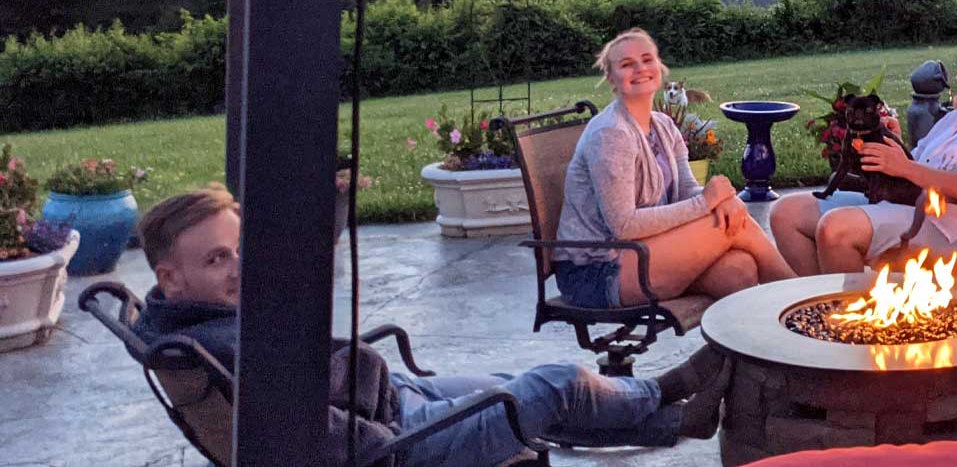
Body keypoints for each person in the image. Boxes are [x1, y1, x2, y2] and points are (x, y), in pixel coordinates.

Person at [128, 186, 728, 467]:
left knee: (512, 385)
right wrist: (386, 427)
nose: (240, 266)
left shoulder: (193, 324)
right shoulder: (212, 346)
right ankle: (663, 393)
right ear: (170, 277)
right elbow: (324, 431)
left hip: (391, 401)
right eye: (216, 259)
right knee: (552, 387)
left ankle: (677, 421)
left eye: (240, 248)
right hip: (396, 441)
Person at [555, 29, 794, 308]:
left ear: (660, 67)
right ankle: (803, 296)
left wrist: (720, 201)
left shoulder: (664, 125)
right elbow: (624, 226)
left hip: (645, 250)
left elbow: (686, 190)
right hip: (597, 270)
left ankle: (737, 351)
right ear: (611, 79)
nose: (640, 69)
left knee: (738, 270)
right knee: (728, 225)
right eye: (626, 64)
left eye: (647, 59)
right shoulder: (611, 134)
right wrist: (707, 203)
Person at [771, 28, 957, 275]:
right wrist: (895, 144)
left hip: (945, 231)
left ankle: (848, 317)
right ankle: (824, 305)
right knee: (786, 213)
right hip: (904, 204)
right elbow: (918, 162)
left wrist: (905, 167)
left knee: (836, 229)